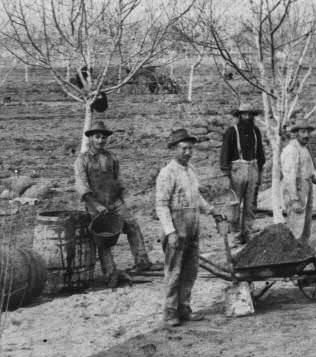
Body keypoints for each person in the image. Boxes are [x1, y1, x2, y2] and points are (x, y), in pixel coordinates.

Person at [73, 120, 155, 285]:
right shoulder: (82, 160)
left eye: (103, 137)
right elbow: (81, 186)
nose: (101, 140)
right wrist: (97, 206)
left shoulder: (111, 157)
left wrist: (122, 200)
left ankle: (142, 262)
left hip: (115, 201)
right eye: (97, 137)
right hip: (95, 205)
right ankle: (110, 272)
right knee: (104, 237)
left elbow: (118, 180)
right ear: (90, 138)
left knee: (132, 225)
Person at [155, 128, 221, 328]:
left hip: (192, 225)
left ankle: (184, 308)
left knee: (190, 271)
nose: (188, 152)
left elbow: (196, 197)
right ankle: (170, 312)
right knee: (174, 272)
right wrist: (170, 232)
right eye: (184, 148)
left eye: (190, 148)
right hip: (176, 225)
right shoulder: (167, 173)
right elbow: (161, 205)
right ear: (174, 149)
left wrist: (211, 210)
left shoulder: (190, 171)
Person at [219, 102, 266, 246]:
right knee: (234, 205)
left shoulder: (256, 131)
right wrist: (226, 175)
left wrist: (260, 172)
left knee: (250, 204)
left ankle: (247, 233)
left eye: (250, 114)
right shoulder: (232, 132)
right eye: (244, 114)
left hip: (253, 168)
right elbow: (225, 154)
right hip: (237, 171)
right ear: (239, 116)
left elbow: (260, 154)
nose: (247, 117)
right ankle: (235, 236)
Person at [281, 121, 316, 243]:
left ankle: (303, 247)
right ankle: (293, 249)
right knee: (297, 220)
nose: (306, 135)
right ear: (296, 133)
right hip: (296, 187)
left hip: (307, 185)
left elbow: (308, 169)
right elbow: (290, 176)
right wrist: (294, 199)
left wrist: (315, 179)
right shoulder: (291, 150)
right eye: (303, 132)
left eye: (308, 132)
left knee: (307, 220)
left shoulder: (305, 148)